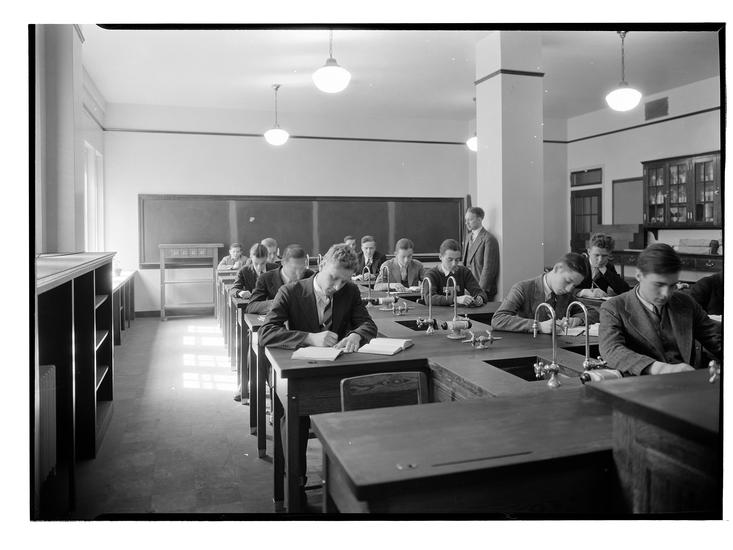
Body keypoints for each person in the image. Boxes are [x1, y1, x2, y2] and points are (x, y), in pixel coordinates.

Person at [258, 244, 378, 505]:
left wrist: (357, 335)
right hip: (298, 374)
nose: (336, 286)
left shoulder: (350, 290)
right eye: (333, 277)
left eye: (343, 281)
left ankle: (349, 482)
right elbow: (266, 333)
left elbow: (368, 324)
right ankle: (296, 484)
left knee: (363, 405)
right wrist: (309, 337)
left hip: (335, 370)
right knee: (295, 417)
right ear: (321, 264)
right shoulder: (291, 291)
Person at [599, 243, 722, 376]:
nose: (666, 294)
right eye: (659, 284)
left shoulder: (686, 303)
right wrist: (660, 368)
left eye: (672, 285)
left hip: (686, 381)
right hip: (642, 384)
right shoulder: (613, 307)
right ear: (639, 275)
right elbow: (612, 350)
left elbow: (714, 338)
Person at [491, 252, 597, 333]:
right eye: (568, 281)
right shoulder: (522, 288)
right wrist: (538, 326)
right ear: (557, 269)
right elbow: (498, 319)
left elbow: (593, 312)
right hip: (527, 348)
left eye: (574, 285)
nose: (569, 289)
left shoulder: (566, 294)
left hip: (558, 347)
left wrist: (578, 320)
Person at [245, 245, 314, 314]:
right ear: (283, 262)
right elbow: (251, 306)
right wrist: (277, 303)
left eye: (302, 269)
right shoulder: (266, 278)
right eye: (294, 269)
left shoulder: (311, 276)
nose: (299, 275)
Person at [423, 239, 487, 307]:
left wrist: (480, 298)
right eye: (450, 259)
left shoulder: (464, 272)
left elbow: (480, 292)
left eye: (457, 260)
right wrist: (455, 299)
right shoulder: (431, 274)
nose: (454, 264)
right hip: (438, 313)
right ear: (440, 257)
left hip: (460, 312)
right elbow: (429, 299)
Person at [576, 233, 630, 298]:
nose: (600, 260)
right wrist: (583, 292)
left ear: (609, 254)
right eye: (596, 255)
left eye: (604, 256)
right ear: (589, 251)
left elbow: (624, 290)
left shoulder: (608, 267)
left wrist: (605, 271)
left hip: (598, 303)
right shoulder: (578, 264)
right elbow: (566, 290)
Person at [463, 207, 500, 301]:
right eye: (466, 220)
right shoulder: (468, 237)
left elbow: (489, 269)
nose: (466, 223)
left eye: (470, 219)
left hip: (481, 290)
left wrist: (480, 293)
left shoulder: (489, 239)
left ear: (479, 219)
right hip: (468, 288)